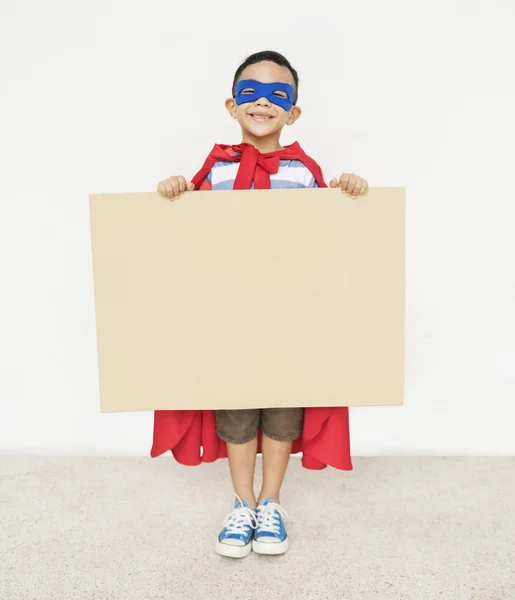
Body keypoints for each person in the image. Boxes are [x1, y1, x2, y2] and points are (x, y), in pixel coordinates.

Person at [156, 50, 369, 559]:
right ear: (232, 105)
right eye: (251, 92)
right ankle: (242, 503)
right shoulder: (215, 171)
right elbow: (187, 233)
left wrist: (347, 191)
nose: (264, 102)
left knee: (281, 412)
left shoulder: (303, 172)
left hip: (288, 320)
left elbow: (329, 234)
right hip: (230, 320)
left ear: (293, 112)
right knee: (235, 414)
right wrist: (176, 190)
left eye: (279, 94)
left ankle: (272, 502)